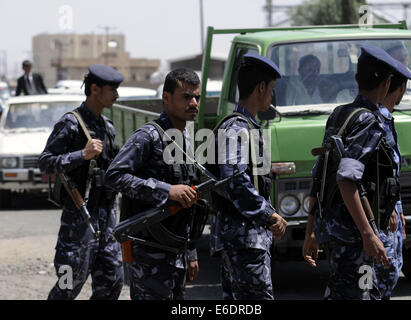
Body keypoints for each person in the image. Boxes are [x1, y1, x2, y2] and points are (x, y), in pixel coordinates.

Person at [302, 45, 400, 300]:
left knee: (346, 290)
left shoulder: (340, 113)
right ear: (388, 83)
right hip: (356, 235)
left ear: (356, 79)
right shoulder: (369, 121)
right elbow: (346, 177)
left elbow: (320, 173)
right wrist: (369, 235)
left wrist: (310, 229)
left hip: (336, 230)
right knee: (362, 291)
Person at [104, 68, 203, 300]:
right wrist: (165, 190)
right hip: (150, 254)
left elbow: (190, 204)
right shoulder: (148, 136)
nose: (194, 103)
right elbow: (115, 175)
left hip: (176, 252)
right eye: (186, 97)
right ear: (166, 98)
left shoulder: (185, 140)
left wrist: (191, 253)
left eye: (197, 97)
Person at [39, 64, 124, 299]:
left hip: (106, 219)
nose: (117, 94)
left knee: (112, 282)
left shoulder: (107, 127)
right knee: (68, 284)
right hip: (79, 219)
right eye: (113, 89)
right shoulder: (71, 123)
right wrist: (81, 155)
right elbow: (45, 162)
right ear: (95, 89)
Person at [209, 53, 287, 300]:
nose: (272, 95)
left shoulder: (246, 125)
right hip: (244, 240)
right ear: (261, 87)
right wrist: (268, 213)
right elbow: (233, 178)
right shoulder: (237, 127)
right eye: (271, 89)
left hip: (244, 238)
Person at [371, 59, 411, 300]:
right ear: (398, 89)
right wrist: (390, 207)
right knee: (379, 278)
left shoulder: (385, 119)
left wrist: (398, 207)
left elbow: (389, 172)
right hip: (379, 215)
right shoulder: (376, 121)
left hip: (387, 211)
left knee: (387, 275)